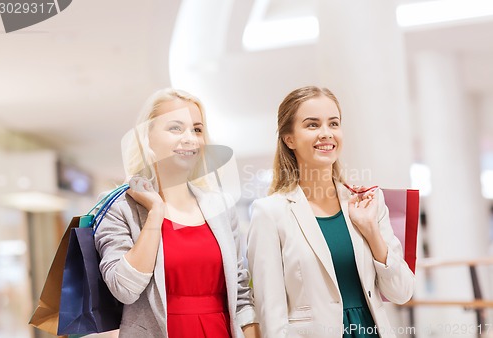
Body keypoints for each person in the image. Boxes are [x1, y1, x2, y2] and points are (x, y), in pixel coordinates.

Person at [247, 86, 415, 338]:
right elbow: (271, 313)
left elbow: (401, 292)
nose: (326, 134)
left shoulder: (369, 201)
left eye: (333, 123)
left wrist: (371, 232)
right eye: (312, 125)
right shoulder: (270, 213)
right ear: (289, 138)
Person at [94, 88, 259, 338]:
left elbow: (241, 295)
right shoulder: (120, 208)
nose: (190, 138)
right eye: (175, 128)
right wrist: (156, 211)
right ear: (147, 137)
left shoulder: (220, 208)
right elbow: (124, 288)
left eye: (197, 129)